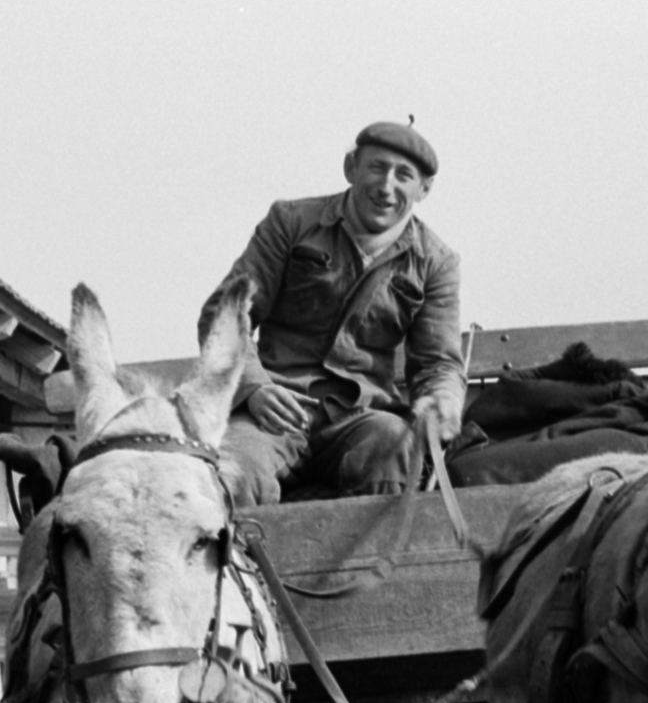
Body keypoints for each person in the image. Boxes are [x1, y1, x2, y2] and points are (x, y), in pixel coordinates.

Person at [196, 121, 465, 506]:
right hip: (273, 411)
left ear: (423, 190)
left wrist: (441, 404)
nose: (386, 187)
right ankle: (246, 567)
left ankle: (372, 569)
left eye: (404, 175)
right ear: (351, 167)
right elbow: (224, 317)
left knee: (395, 448)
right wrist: (255, 389)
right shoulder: (291, 222)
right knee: (237, 469)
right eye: (377, 167)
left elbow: (439, 363)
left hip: (363, 419)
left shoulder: (436, 262)